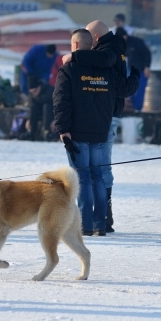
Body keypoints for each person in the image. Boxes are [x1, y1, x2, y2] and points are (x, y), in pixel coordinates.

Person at [54, 28, 138, 236]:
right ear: (91, 46)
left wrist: (63, 129)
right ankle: (100, 225)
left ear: (74, 46)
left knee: (81, 178)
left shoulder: (68, 70)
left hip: (77, 132)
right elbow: (125, 89)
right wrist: (135, 73)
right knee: (98, 177)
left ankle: (85, 225)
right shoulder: (108, 71)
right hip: (101, 130)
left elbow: (61, 102)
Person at [116, 27, 151, 111]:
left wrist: (147, 67)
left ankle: (138, 109)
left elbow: (147, 54)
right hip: (129, 70)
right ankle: (129, 108)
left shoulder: (137, 42)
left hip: (141, 70)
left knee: (139, 90)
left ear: (125, 35)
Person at [24, 75, 54, 141]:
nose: (33, 94)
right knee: (33, 107)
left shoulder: (50, 91)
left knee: (46, 106)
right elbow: (32, 105)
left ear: (39, 87)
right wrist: (29, 119)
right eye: (31, 93)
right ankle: (32, 131)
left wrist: (56, 120)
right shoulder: (33, 95)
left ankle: (47, 131)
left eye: (35, 91)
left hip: (51, 112)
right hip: (39, 111)